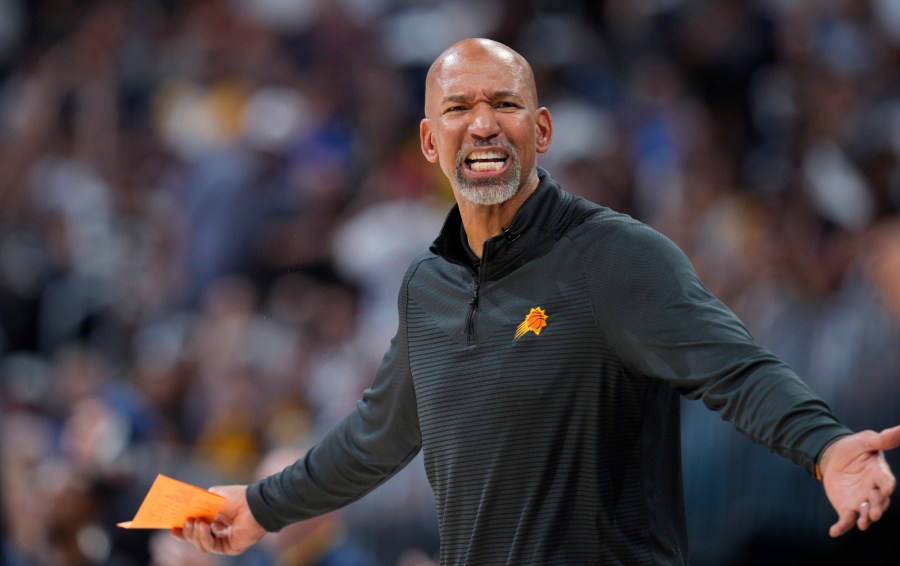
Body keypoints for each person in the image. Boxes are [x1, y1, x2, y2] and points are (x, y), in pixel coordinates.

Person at [173, 38, 900, 565]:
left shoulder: (614, 256)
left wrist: (826, 446)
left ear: (540, 130)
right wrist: (263, 507)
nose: (483, 124)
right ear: (430, 141)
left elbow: (734, 367)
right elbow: (376, 436)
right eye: (458, 107)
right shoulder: (427, 288)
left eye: (504, 104)